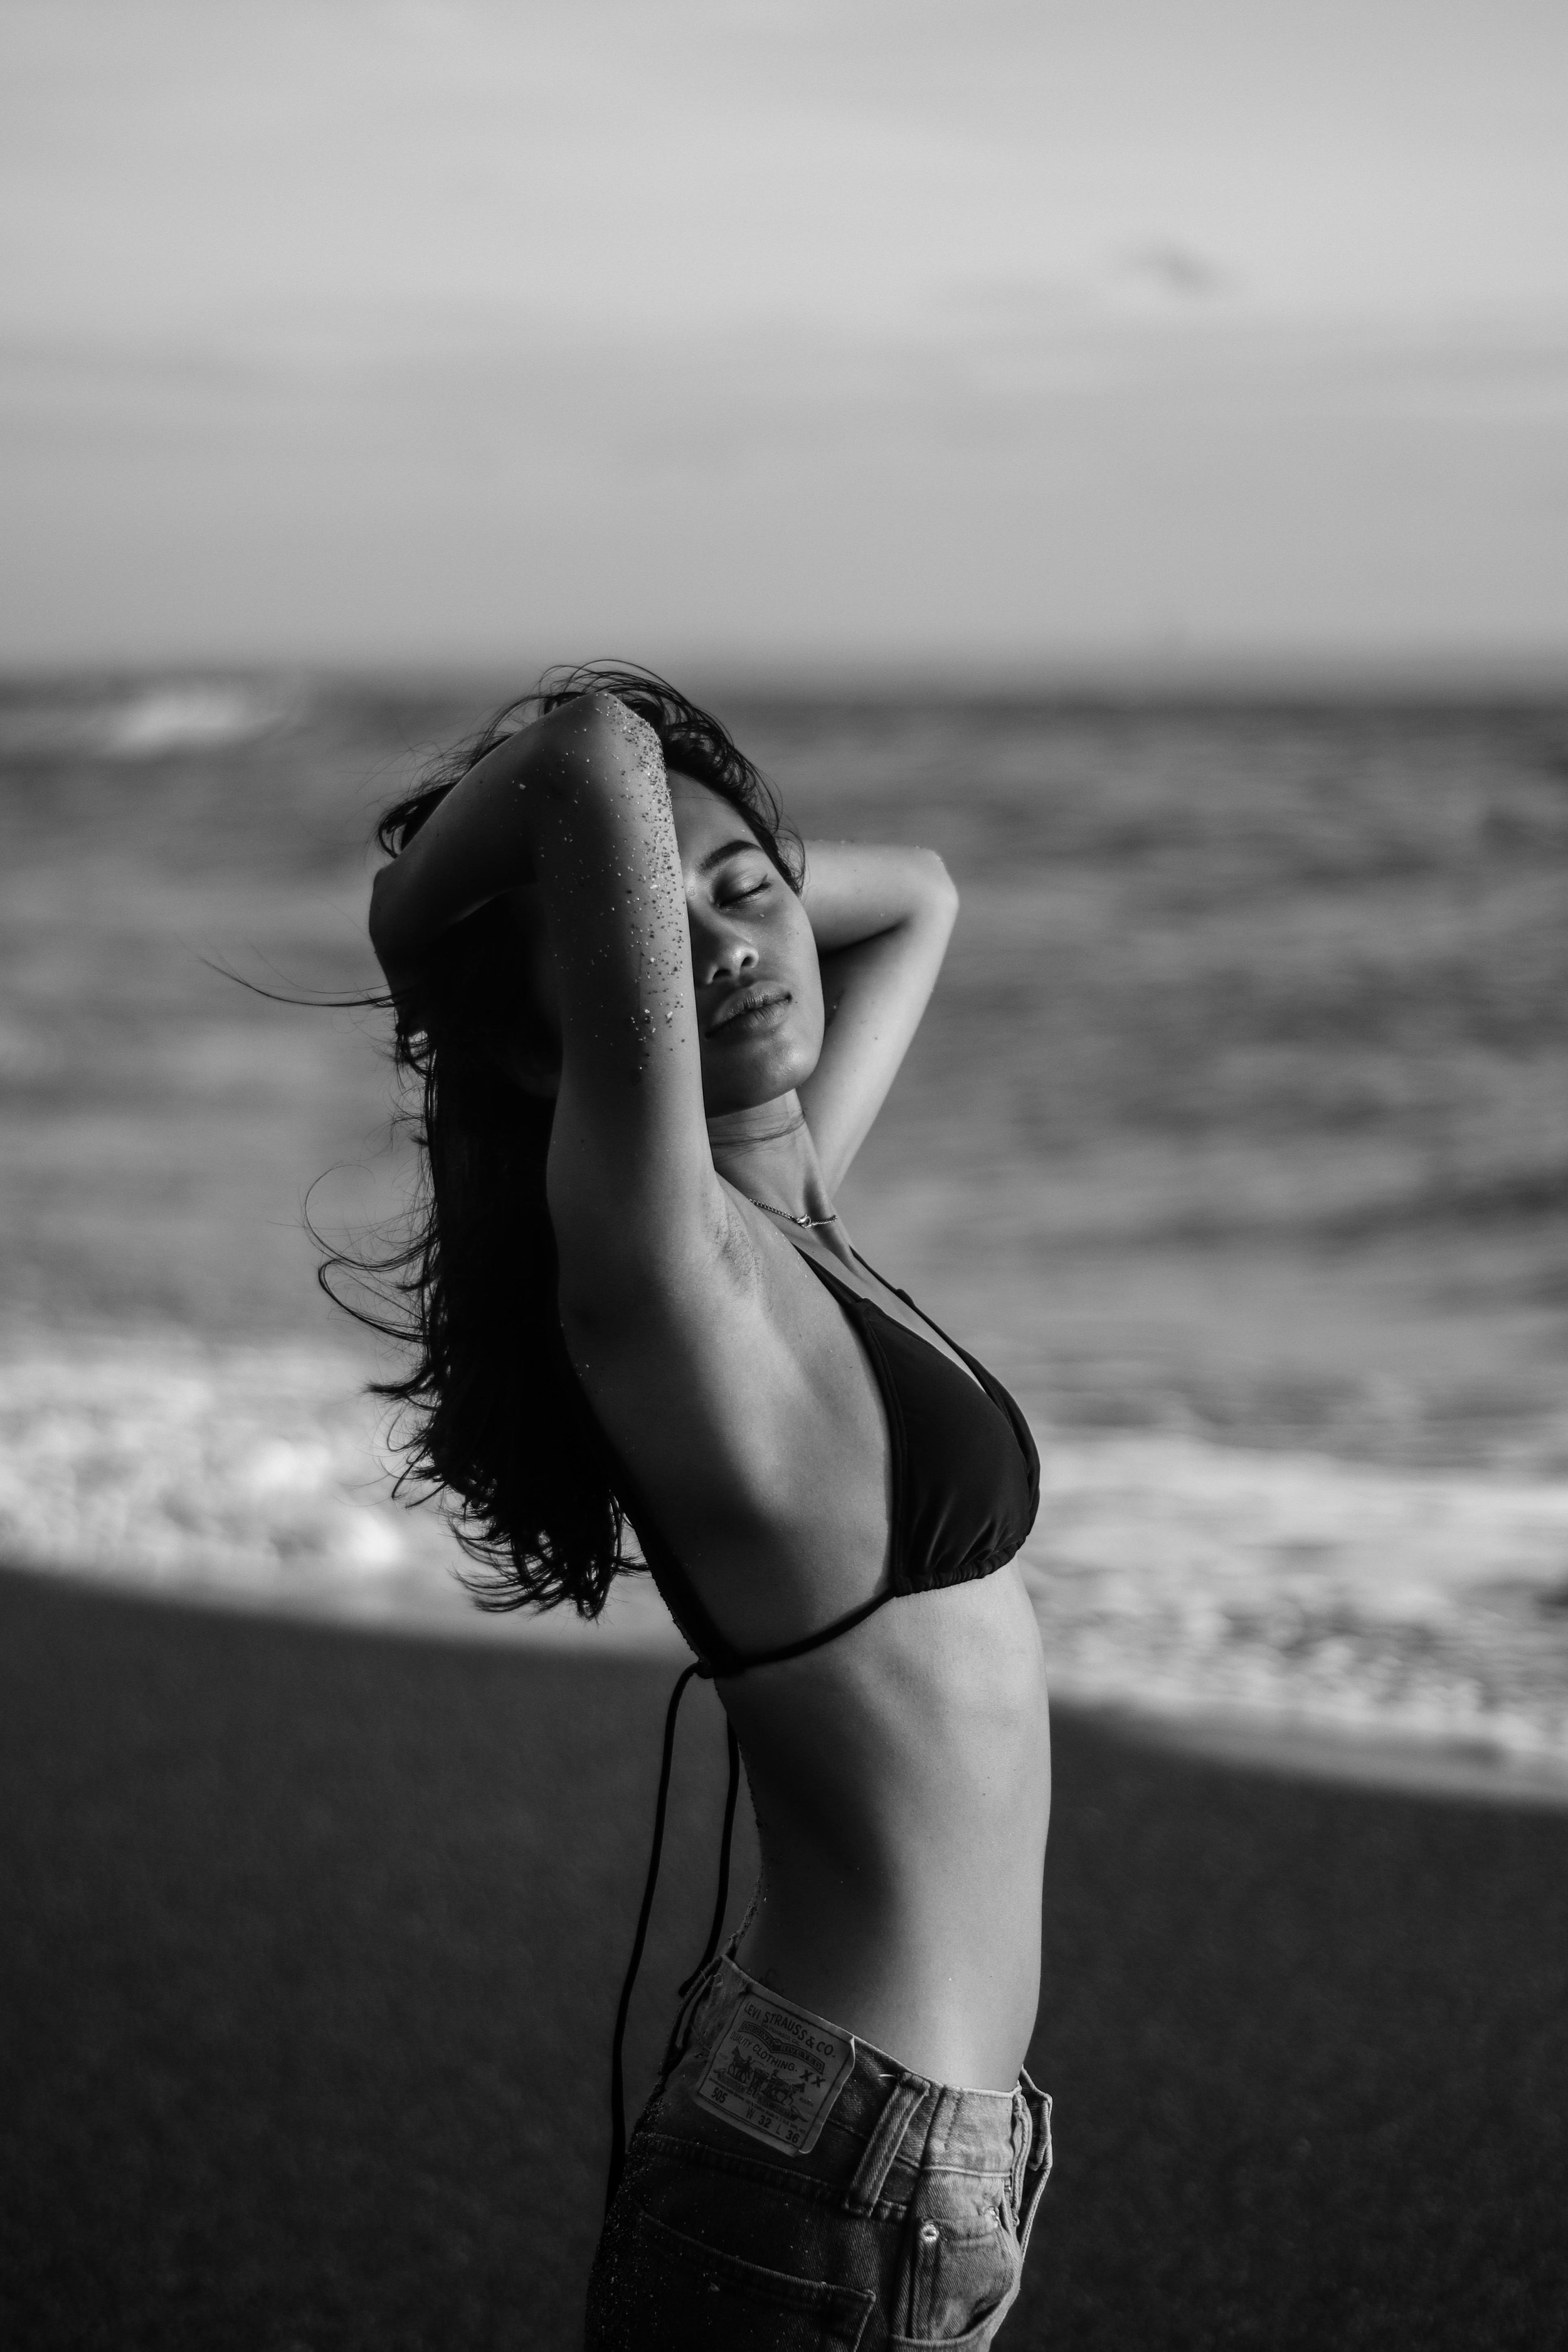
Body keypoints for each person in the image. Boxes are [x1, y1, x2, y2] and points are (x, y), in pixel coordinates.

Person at [364, 666, 1052, 2349]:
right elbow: (593, 750)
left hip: (881, 2146)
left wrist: (713, 889)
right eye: (653, 936)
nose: (732, 941)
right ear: (565, 1033)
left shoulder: (789, 1203)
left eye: (749, 892)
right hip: (839, 2170)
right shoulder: (665, 1271)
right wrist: (412, 920)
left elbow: (921, 899)